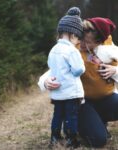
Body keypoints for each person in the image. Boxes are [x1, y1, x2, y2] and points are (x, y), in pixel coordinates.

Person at [38, 16, 118, 148]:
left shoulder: (107, 49)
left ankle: (98, 119)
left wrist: (115, 70)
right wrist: (45, 82)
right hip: (81, 103)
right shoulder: (71, 51)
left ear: (99, 42)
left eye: (89, 42)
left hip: (105, 99)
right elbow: (52, 71)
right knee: (99, 141)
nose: (84, 45)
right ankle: (81, 123)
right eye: (82, 40)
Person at [47, 7, 85, 148]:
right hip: (71, 92)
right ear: (73, 34)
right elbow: (78, 69)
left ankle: (55, 138)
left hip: (57, 93)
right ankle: (71, 139)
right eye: (77, 37)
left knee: (58, 115)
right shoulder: (71, 50)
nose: (77, 41)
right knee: (71, 116)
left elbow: (51, 66)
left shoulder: (53, 49)